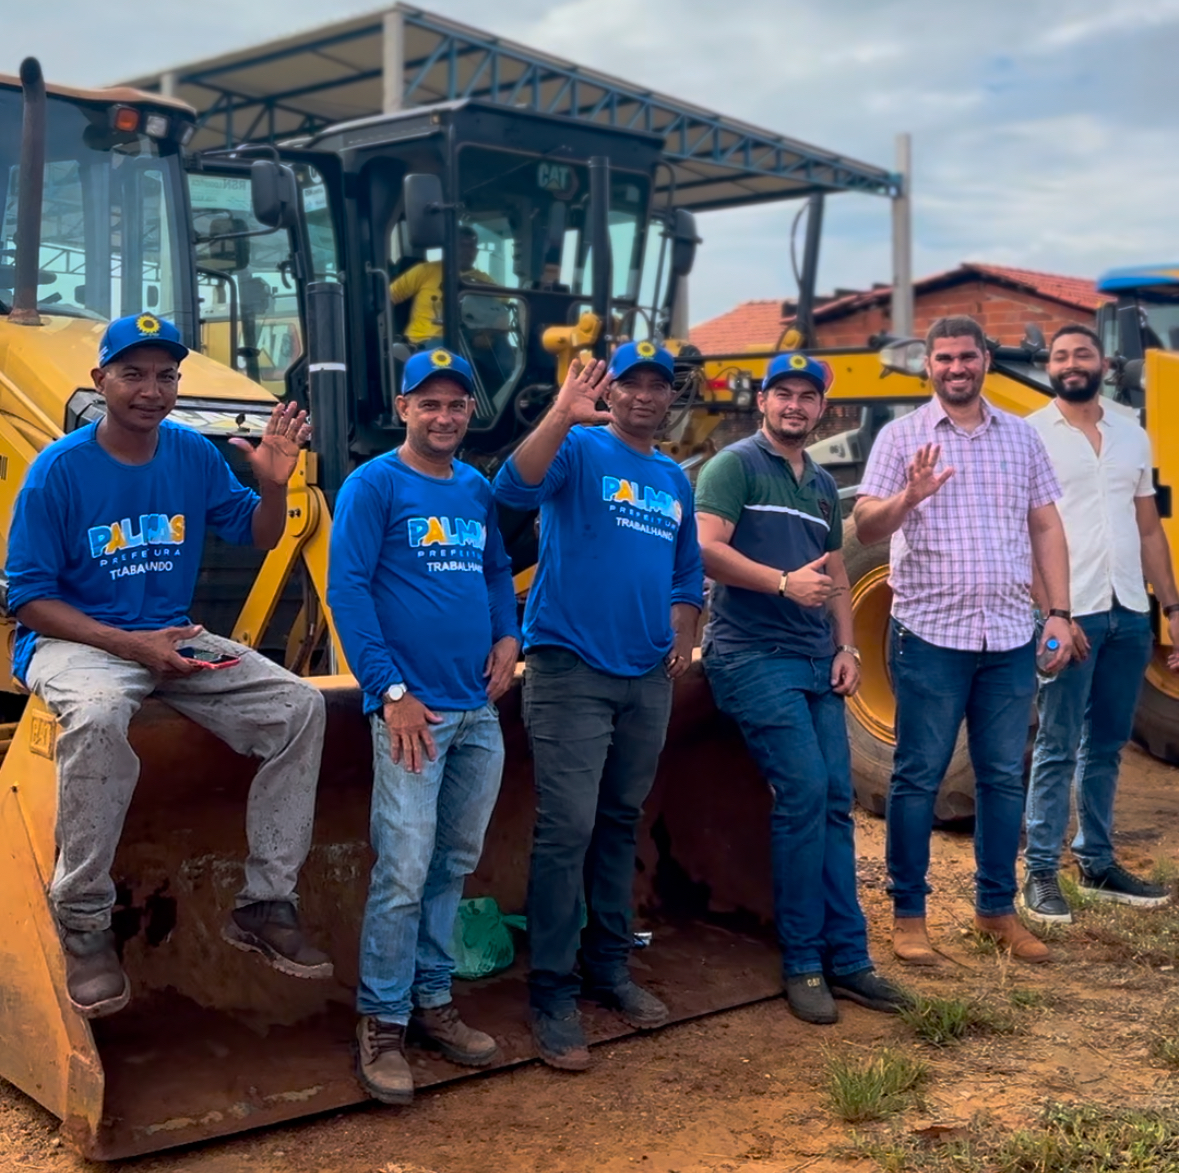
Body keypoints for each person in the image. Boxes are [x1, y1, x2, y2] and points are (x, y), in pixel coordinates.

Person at [6, 312, 331, 1020]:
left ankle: (265, 901)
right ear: (100, 381)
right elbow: (27, 599)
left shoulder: (188, 453)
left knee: (298, 707)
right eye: (133, 373)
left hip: (171, 637)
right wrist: (133, 647)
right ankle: (84, 919)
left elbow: (255, 532)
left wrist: (274, 486)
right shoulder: (56, 472)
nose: (151, 389)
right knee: (96, 714)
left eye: (165, 375)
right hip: (79, 644)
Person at [493, 341, 703, 1071]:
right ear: (610, 391)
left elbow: (686, 573)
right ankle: (551, 991)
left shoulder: (672, 477)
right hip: (569, 666)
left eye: (659, 385)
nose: (645, 396)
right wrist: (559, 411)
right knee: (567, 827)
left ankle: (607, 969)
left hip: (644, 675)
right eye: (632, 383)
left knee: (620, 822)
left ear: (671, 397)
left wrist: (680, 638)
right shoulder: (578, 450)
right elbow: (512, 488)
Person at [328, 347, 520, 1106]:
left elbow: (497, 570)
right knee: (404, 868)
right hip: (414, 714)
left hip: (476, 712)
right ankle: (381, 1019)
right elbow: (347, 589)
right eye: (428, 403)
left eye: (456, 404)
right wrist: (390, 690)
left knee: (454, 859)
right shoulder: (373, 484)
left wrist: (509, 636)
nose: (444, 416)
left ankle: (433, 1000)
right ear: (402, 408)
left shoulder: (473, 487)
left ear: (470, 412)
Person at [695, 353, 909, 1023]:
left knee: (837, 801)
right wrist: (781, 583)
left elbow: (838, 574)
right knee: (804, 791)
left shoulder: (819, 483)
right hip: (751, 655)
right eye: (782, 393)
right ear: (762, 401)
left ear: (822, 408)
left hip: (815, 659)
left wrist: (847, 645)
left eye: (806, 396)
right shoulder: (732, 465)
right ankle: (802, 961)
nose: (794, 405)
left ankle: (849, 957)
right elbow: (702, 548)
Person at [854, 314, 1074, 966]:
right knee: (917, 775)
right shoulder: (901, 438)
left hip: (1007, 636)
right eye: (943, 358)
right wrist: (908, 498)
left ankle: (994, 910)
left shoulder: (1022, 440)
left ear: (984, 360)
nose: (956, 368)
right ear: (928, 366)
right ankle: (908, 914)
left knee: (1002, 776)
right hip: (928, 636)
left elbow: (1044, 528)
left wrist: (1057, 611)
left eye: (966, 356)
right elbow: (865, 524)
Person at [1022, 324, 1179, 921]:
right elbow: (1024, 532)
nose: (1070, 363)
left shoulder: (1129, 432)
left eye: (1081, 353)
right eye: (1060, 356)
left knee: (1107, 744)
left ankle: (1096, 862)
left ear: (1104, 363)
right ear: (1050, 367)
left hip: (1128, 612)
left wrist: (1171, 606)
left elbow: (1147, 529)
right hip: (1070, 609)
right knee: (1057, 743)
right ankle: (1039, 872)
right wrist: (1050, 612)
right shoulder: (1031, 435)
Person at [390, 226, 495, 346]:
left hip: (467, 344)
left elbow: (501, 309)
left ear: (476, 251)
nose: (466, 250)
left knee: (505, 359)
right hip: (424, 341)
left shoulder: (484, 280)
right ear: (450, 248)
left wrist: (485, 335)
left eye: (470, 245)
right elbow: (390, 296)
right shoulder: (426, 271)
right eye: (461, 245)